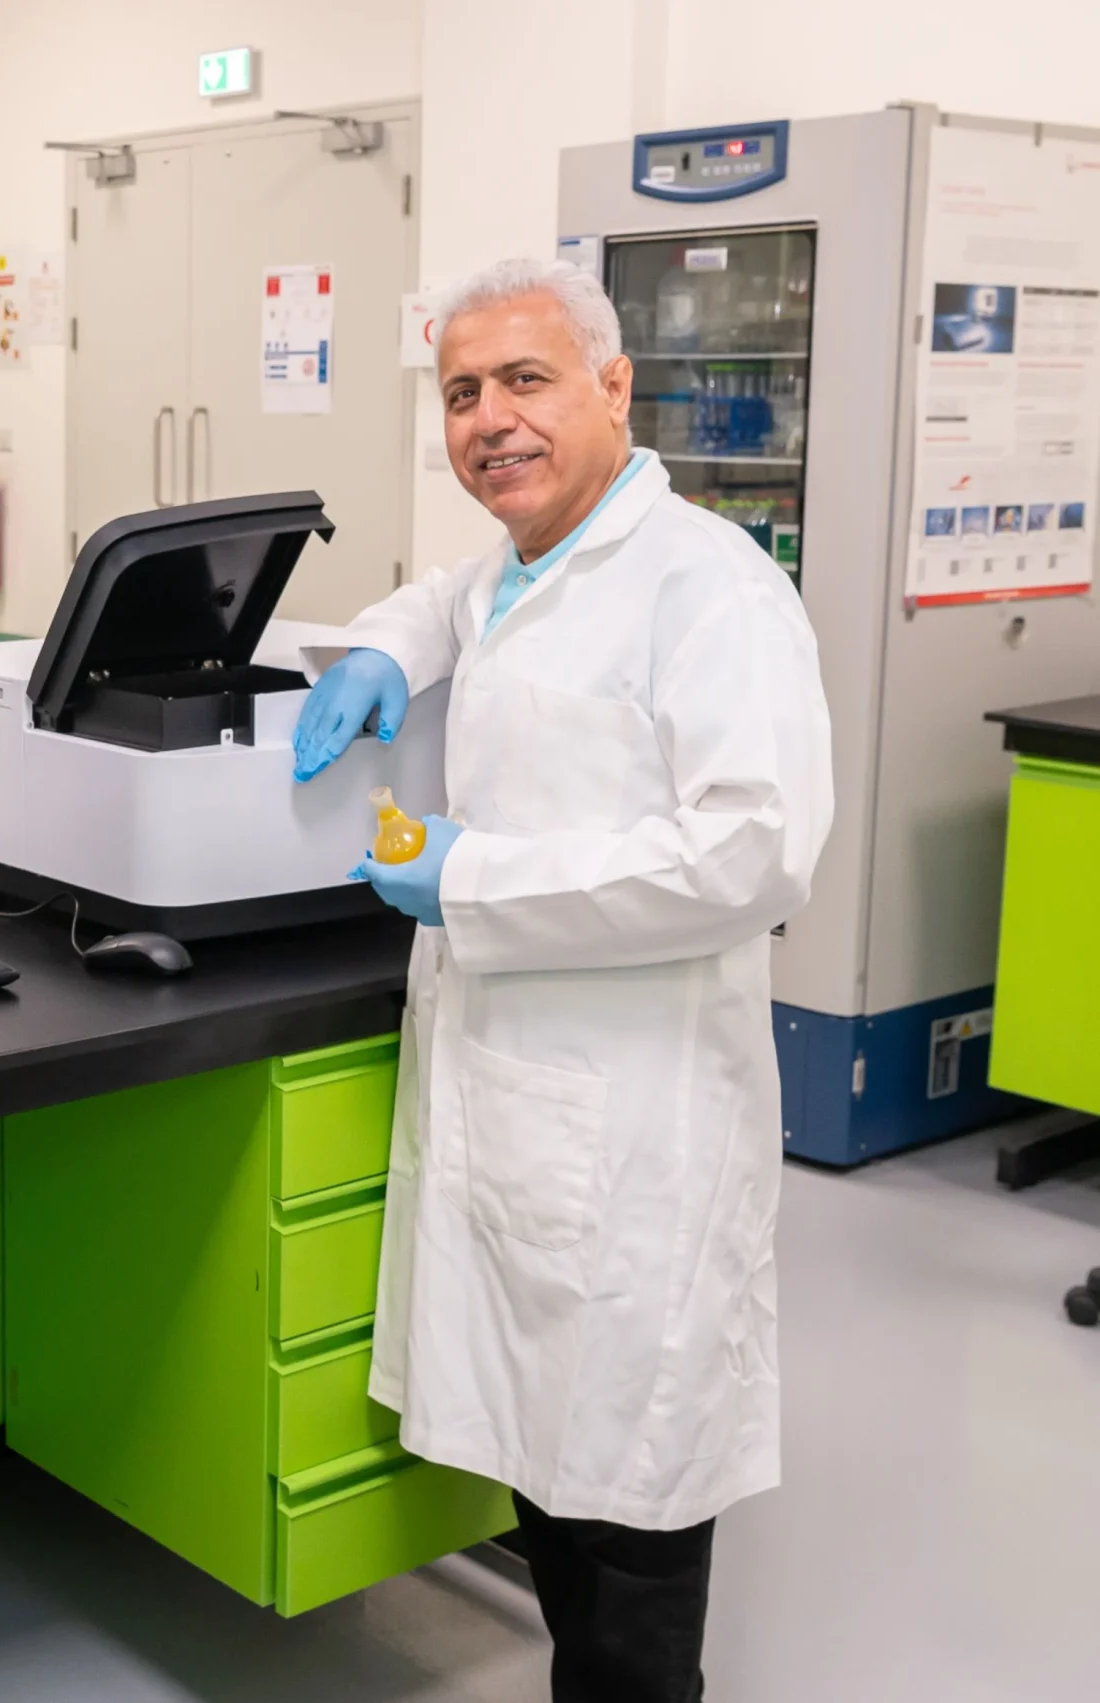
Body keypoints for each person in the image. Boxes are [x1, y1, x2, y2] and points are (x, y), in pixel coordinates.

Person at [291, 257, 832, 1703]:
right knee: (552, 1482)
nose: (491, 420)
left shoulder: (709, 587)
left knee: (632, 1522)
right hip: (524, 1105)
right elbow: (450, 601)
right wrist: (381, 649)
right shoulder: (522, 565)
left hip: (640, 1123)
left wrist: (474, 877)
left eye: (525, 381)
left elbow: (757, 853)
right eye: (463, 392)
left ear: (613, 388)